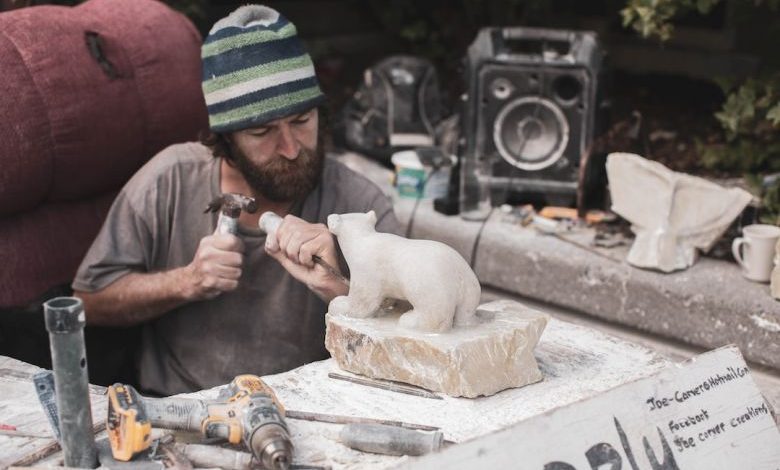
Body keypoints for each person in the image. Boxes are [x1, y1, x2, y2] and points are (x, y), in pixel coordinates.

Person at [72, 4, 399, 396]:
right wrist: (187, 281)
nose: (292, 149)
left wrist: (341, 290)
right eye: (263, 131)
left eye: (302, 120)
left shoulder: (359, 204)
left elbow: (409, 338)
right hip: (177, 410)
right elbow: (87, 301)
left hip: (306, 412)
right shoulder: (169, 180)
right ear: (225, 139)